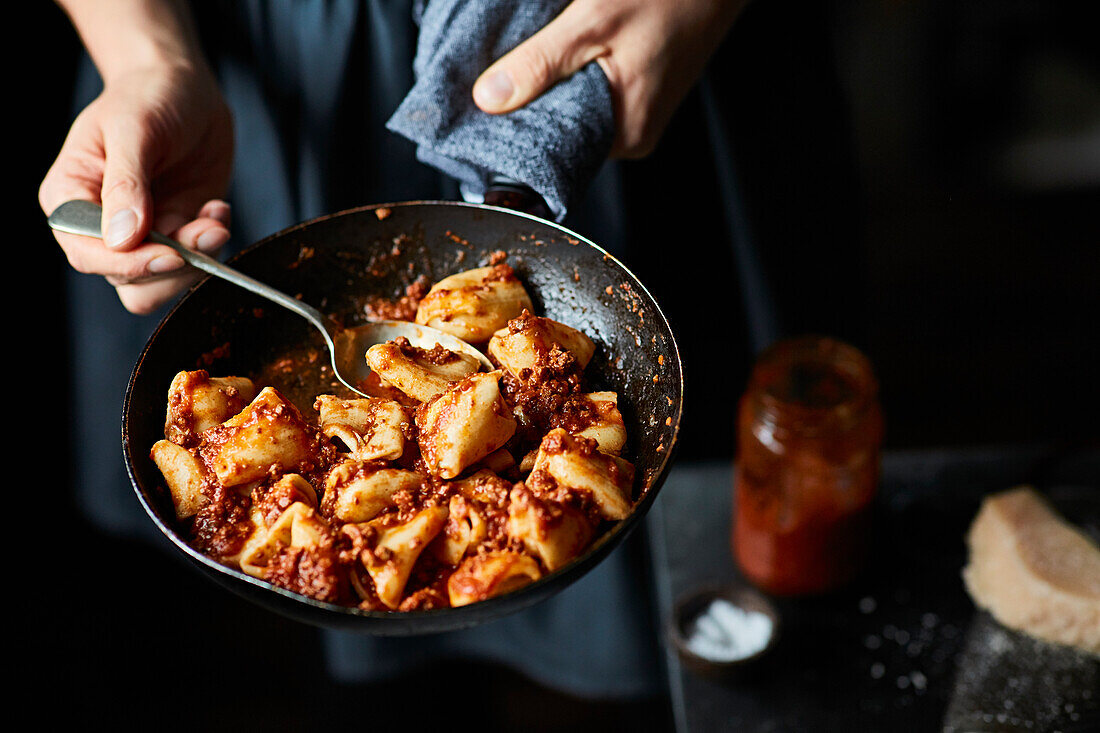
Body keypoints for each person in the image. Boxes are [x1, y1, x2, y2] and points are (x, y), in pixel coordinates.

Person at [41, 0, 860, 702]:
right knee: (385, 690)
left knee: (680, 596)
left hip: (640, 48)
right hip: (255, 61)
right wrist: (145, 56)